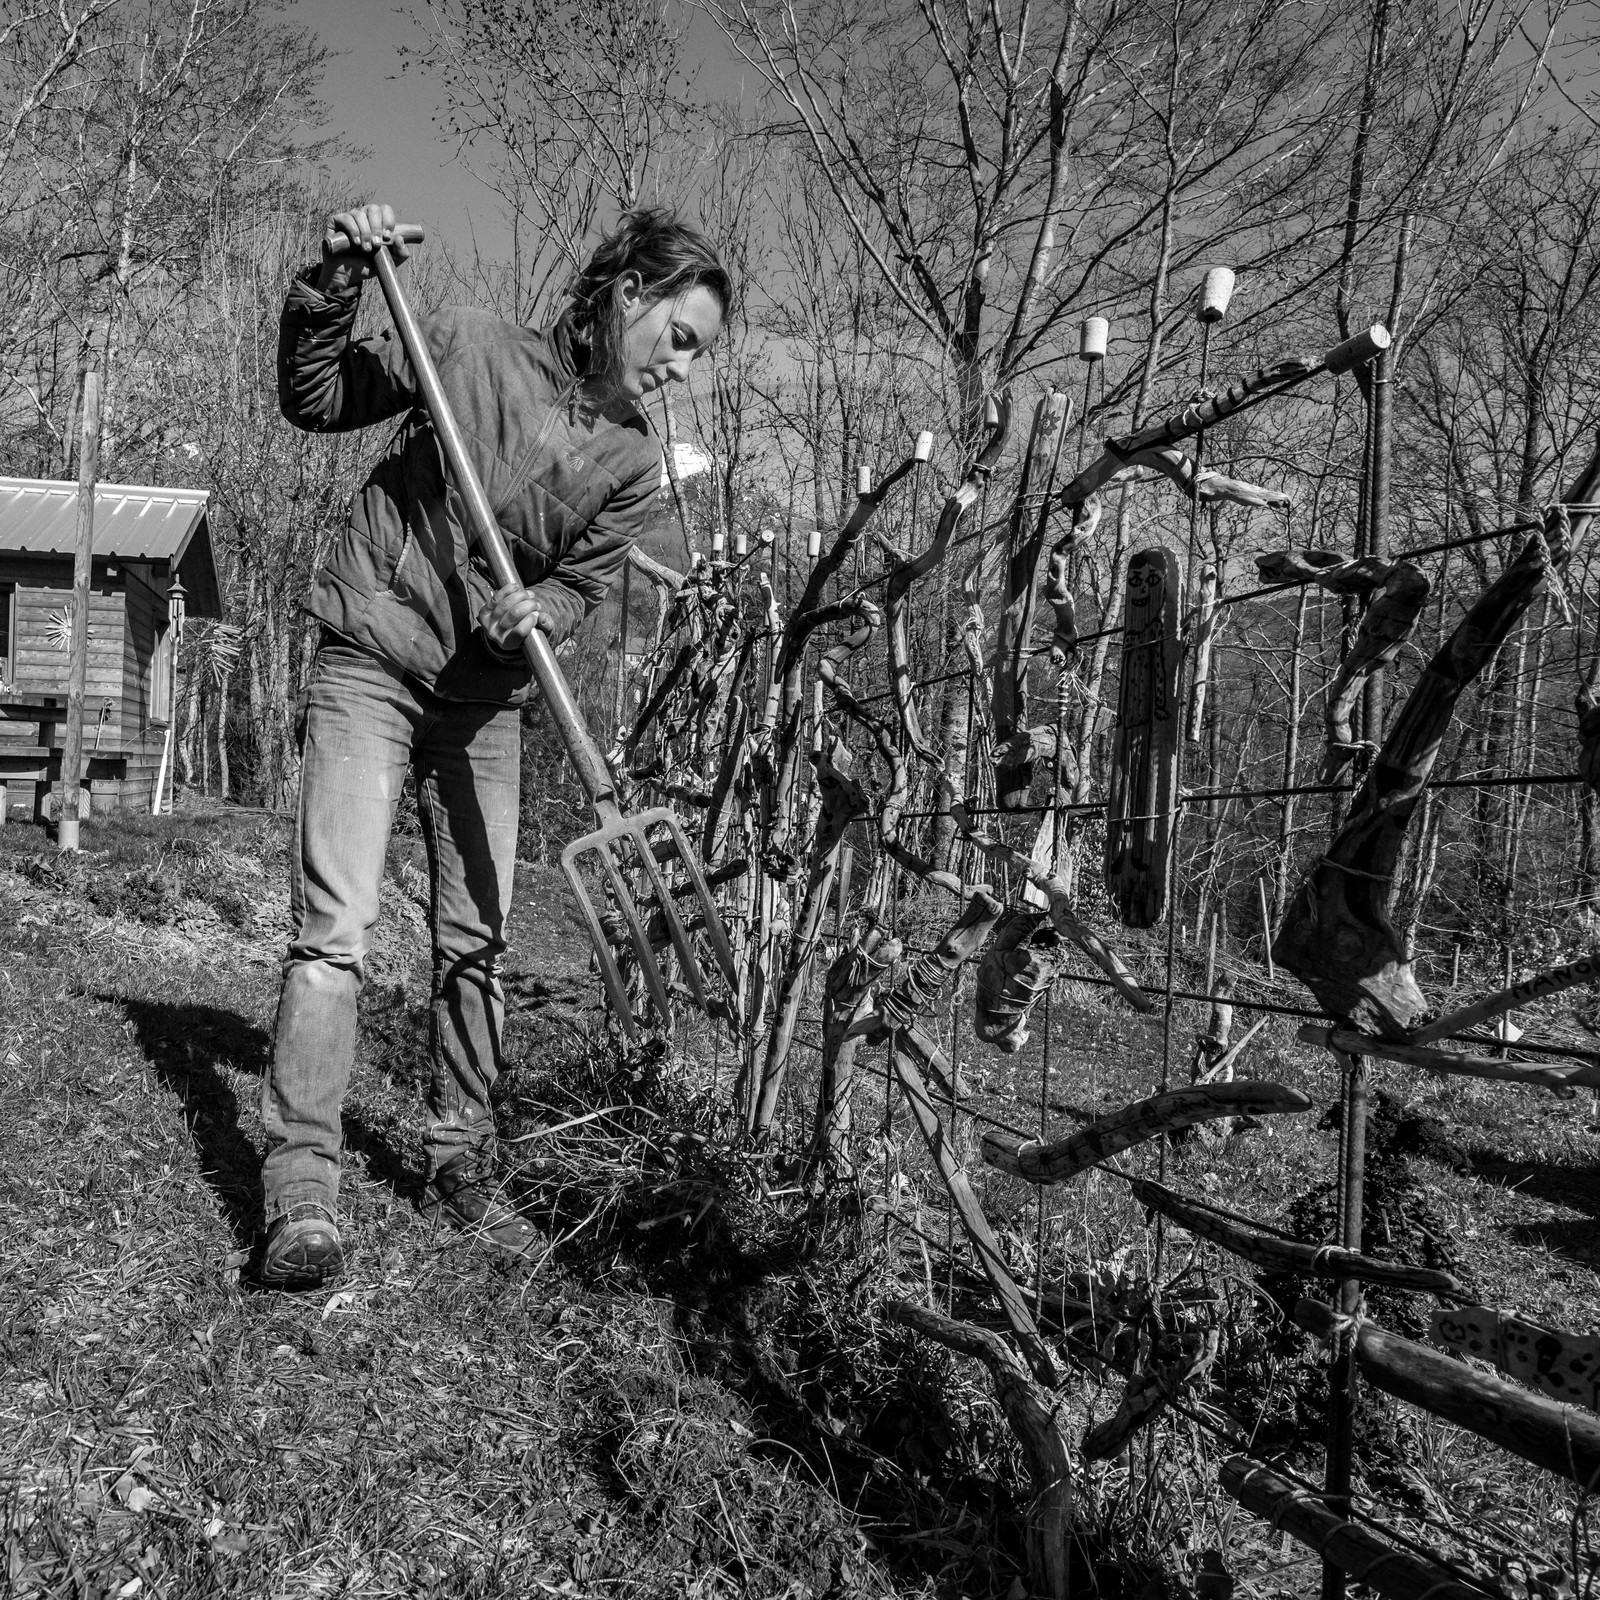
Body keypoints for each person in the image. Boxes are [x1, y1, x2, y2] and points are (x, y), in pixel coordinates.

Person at [261, 202, 732, 1290]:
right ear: (629, 296)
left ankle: (460, 1154)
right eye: (682, 339)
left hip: (486, 700)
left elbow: (582, 580)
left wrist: (551, 615)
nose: (686, 371)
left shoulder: (631, 463)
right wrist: (335, 287)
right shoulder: (468, 341)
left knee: (482, 934)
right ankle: (301, 1189)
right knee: (335, 930)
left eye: (702, 357)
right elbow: (318, 398)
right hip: (376, 648)